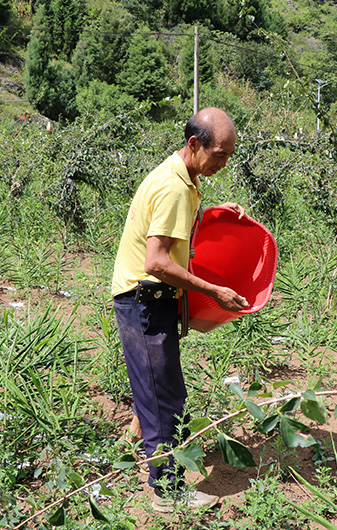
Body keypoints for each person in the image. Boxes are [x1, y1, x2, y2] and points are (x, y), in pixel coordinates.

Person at [111, 107, 248, 513]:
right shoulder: (173, 187)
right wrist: (214, 291)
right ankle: (166, 492)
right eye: (219, 154)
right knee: (166, 396)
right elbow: (156, 261)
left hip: (148, 298)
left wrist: (218, 214)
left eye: (228, 155)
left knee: (156, 384)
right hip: (144, 299)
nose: (223, 163)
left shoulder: (182, 177)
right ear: (194, 145)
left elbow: (176, 227)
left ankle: (136, 440)